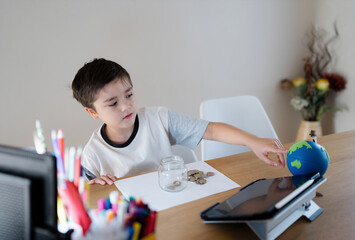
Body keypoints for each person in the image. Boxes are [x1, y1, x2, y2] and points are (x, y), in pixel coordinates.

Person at [72, 58, 288, 185]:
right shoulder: (92, 155)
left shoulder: (159, 118)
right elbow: (85, 199)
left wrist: (253, 141)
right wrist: (95, 187)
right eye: (112, 103)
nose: (126, 106)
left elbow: (210, 130)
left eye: (129, 95)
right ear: (92, 112)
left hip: (172, 200)